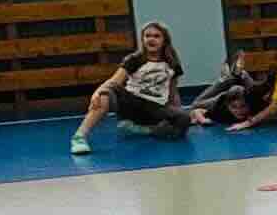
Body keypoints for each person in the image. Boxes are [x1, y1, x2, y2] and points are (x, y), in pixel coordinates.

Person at [68, 21, 188, 155]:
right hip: (131, 103)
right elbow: (114, 82)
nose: (151, 39)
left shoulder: (172, 62)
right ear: (142, 39)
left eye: (156, 36)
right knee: (104, 94)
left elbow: (173, 91)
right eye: (147, 36)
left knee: (184, 119)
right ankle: (79, 137)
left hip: (155, 108)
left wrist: (178, 112)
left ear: (164, 40)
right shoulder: (134, 59)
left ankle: (145, 130)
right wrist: (97, 93)